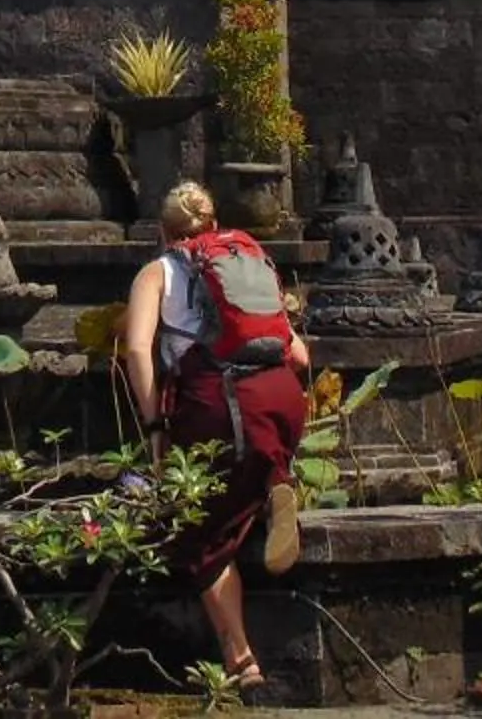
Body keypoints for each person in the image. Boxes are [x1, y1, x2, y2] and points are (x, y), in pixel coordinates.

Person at [120, 179, 311, 699]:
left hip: (223, 407)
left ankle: (242, 663)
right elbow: (300, 357)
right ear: (213, 223)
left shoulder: (157, 272)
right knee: (247, 467)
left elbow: (137, 351)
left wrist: (156, 426)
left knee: (199, 535)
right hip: (282, 399)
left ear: (163, 232)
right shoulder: (244, 260)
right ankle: (273, 481)